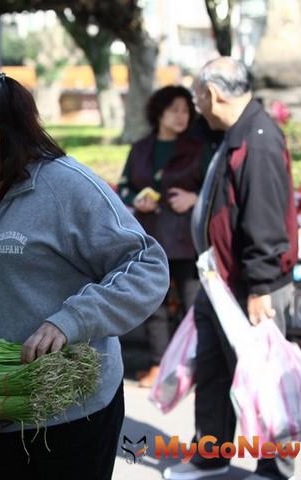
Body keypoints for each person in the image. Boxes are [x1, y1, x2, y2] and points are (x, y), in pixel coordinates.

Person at [0, 67, 170, 480]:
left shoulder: (69, 188)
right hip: (2, 407)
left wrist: (71, 319)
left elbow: (147, 267)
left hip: (75, 411)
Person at [163, 57, 299, 480]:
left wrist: (259, 287)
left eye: (198, 95)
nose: (195, 105)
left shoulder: (256, 140)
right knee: (213, 368)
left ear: (215, 94)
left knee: (262, 375)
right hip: (219, 278)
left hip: (252, 283)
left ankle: (274, 466)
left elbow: (264, 220)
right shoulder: (233, 132)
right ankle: (212, 453)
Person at [118, 86, 208, 388]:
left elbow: (213, 186)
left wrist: (194, 197)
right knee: (153, 304)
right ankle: (159, 365)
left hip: (185, 239)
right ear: (159, 112)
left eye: (186, 110)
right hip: (149, 236)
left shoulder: (197, 148)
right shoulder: (141, 148)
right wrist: (137, 198)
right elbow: (125, 186)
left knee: (192, 304)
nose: (181, 116)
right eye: (175, 110)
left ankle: (191, 366)